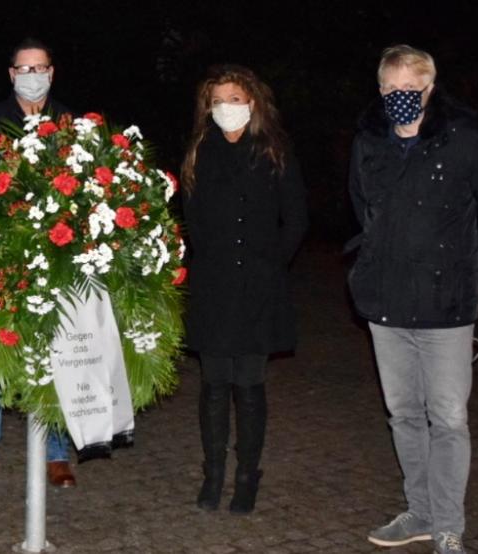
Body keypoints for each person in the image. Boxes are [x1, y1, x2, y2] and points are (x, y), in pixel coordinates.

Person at [349, 45, 478, 554]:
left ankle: (449, 524)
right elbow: (361, 207)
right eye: (390, 90)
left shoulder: (468, 138)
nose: (399, 98)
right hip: (387, 302)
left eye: (409, 89)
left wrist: (475, 272)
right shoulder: (370, 140)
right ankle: (420, 512)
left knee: (449, 417)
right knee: (404, 414)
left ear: (430, 88)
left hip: (446, 303)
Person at [180, 64, 307, 515]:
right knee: (214, 384)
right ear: (207, 107)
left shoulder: (273, 150)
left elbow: (296, 218)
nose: (227, 108)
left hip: (258, 285)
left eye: (235, 99)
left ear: (251, 103)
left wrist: (271, 264)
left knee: (249, 384)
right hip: (214, 285)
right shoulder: (200, 151)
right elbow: (190, 216)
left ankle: (248, 476)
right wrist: (208, 259)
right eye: (218, 101)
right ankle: (213, 473)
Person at [0, 38, 76, 488]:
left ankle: (57, 453)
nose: (32, 76)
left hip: (55, 255)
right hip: (1, 256)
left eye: (39, 68)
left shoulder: (69, 123)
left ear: (52, 71)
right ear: (11, 74)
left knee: (55, 353)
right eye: (24, 69)